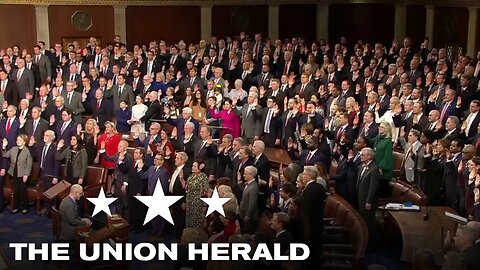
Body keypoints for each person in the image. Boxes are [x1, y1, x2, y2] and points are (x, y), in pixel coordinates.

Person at [2, 134, 33, 214]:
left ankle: (24, 208)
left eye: (20, 140)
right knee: (15, 191)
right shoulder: (13, 149)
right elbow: (5, 155)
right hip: (14, 173)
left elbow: (29, 164)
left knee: (22, 191)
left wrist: (26, 174)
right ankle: (16, 207)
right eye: (17, 140)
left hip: (23, 174)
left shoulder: (27, 150)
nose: (18, 142)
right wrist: (4, 147)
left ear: (24, 142)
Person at [184, 160, 209, 228]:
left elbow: (207, 191)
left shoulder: (203, 177)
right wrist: (181, 179)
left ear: (200, 167)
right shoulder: (191, 176)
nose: (192, 167)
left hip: (198, 204)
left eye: (194, 166)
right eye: (192, 166)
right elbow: (186, 188)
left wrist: (203, 193)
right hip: (189, 203)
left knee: (196, 222)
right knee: (189, 221)